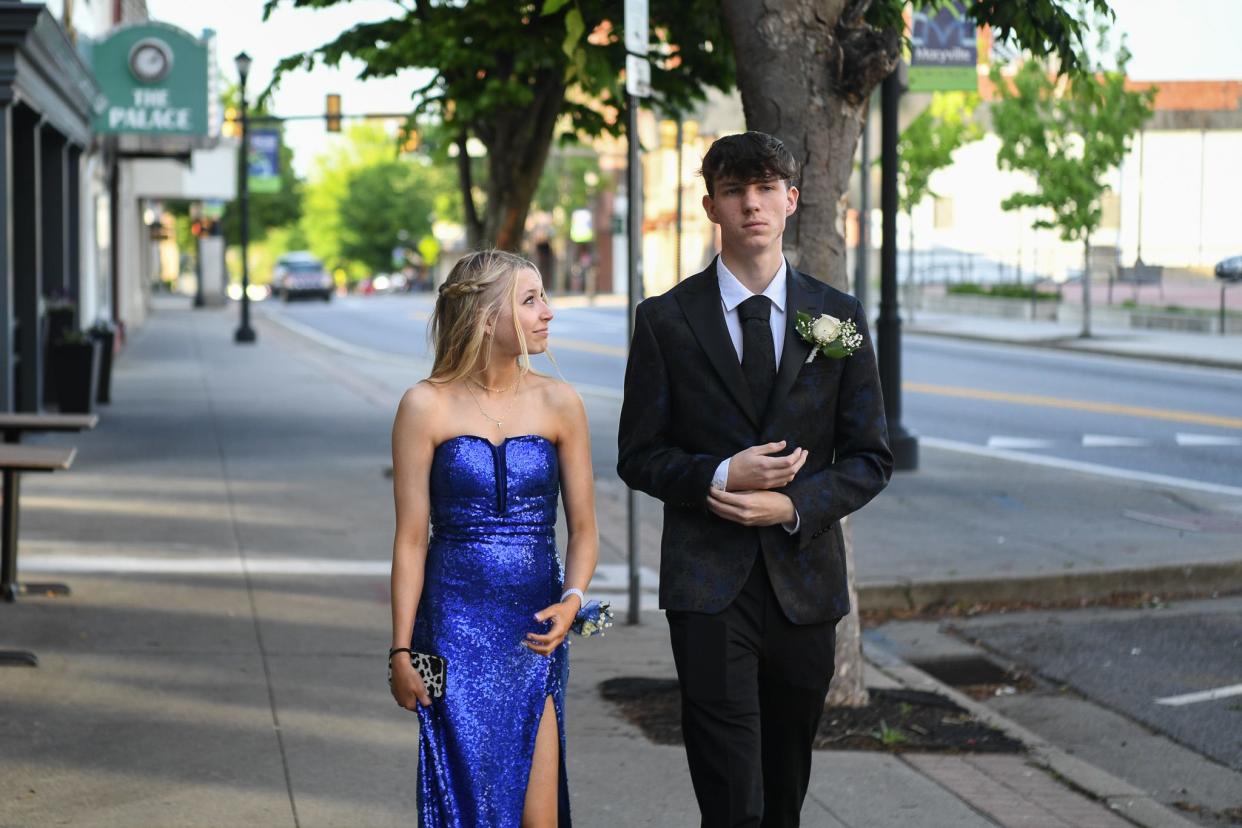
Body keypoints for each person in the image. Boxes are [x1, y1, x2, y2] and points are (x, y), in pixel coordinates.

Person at [617, 132, 893, 827]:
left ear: (792, 201)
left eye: (767, 188)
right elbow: (638, 453)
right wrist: (717, 472)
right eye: (736, 191)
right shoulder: (665, 321)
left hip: (805, 589)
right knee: (731, 796)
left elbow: (870, 457)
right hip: (708, 590)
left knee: (783, 793)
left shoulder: (838, 319)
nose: (752, 204)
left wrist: (791, 506)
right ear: (712, 206)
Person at [389, 250, 598, 828]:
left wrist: (573, 598)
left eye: (543, 298)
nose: (547, 313)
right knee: (465, 808)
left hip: (535, 630)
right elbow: (410, 539)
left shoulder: (561, 402)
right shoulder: (423, 405)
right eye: (529, 301)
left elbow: (583, 529)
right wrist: (401, 651)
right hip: (452, 631)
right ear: (485, 318)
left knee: (538, 817)